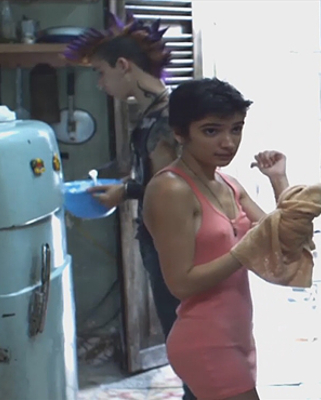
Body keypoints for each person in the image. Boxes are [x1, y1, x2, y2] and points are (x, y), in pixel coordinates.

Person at [64, 14, 195, 400]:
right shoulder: (151, 112)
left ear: (123, 66)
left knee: (184, 332)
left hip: (175, 243)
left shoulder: (169, 116)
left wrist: (123, 193)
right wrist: (115, 183)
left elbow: (171, 187)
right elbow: (147, 173)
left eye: (101, 73)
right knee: (180, 330)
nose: (100, 84)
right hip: (159, 237)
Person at [142, 78, 290, 400]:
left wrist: (279, 179)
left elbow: (281, 238)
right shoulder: (170, 189)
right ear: (180, 133)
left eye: (236, 129)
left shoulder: (228, 183)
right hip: (204, 338)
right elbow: (181, 284)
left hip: (237, 333)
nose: (228, 142)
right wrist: (243, 252)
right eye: (211, 131)